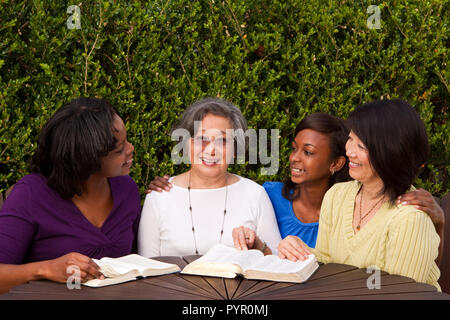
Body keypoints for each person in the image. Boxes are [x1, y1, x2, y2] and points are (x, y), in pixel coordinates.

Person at [147, 113, 445, 262]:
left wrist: (438, 224)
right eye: (293, 148)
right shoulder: (271, 193)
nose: (294, 159)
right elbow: (280, 260)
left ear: (336, 164)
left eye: (309, 152)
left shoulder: (345, 200)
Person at [277, 99, 442, 290]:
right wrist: (299, 250)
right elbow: (326, 263)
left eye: (361, 146)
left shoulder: (410, 219)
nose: (349, 152)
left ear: (390, 152)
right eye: (350, 139)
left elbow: (398, 294)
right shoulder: (337, 195)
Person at [0, 98, 140, 292]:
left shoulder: (127, 189)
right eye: (120, 149)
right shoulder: (30, 195)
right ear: (87, 159)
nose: (131, 148)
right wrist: (45, 269)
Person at [137, 98, 281, 257]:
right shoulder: (159, 196)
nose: (211, 150)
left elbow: (276, 260)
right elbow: (147, 266)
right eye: (202, 139)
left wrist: (257, 245)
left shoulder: (255, 194)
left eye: (223, 140)